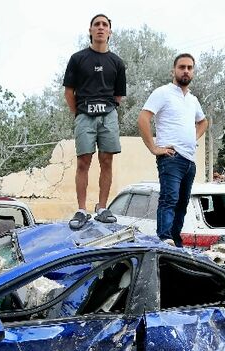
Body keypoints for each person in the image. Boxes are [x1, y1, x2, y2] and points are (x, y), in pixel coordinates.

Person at [63, 14, 127, 229]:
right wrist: (78, 113)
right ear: (90, 30)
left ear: (110, 31)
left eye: (105, 25)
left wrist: (106, 109)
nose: (100, 28)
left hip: (108, 115)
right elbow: (69, 91)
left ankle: (102, 207)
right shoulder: (78, 58)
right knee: (83, 161)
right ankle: (81, 210)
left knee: (107, 160)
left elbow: (118, 96)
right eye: (96, 25)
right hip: (84, 114)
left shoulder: (117, 62)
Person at [137, 53, 207, 246]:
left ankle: (175, 242)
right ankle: (164, 238)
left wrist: (193, 137)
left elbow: (203, 121)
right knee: (170, 198)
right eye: (182, 67)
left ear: (193, 71)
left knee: (182, 204)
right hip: (171, 157)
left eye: (190, 68)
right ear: (173, 71)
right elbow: (143, 118)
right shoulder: (163, 92)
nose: (186, 71)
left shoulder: (193, 99)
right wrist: (153, 147)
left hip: (189, 160)